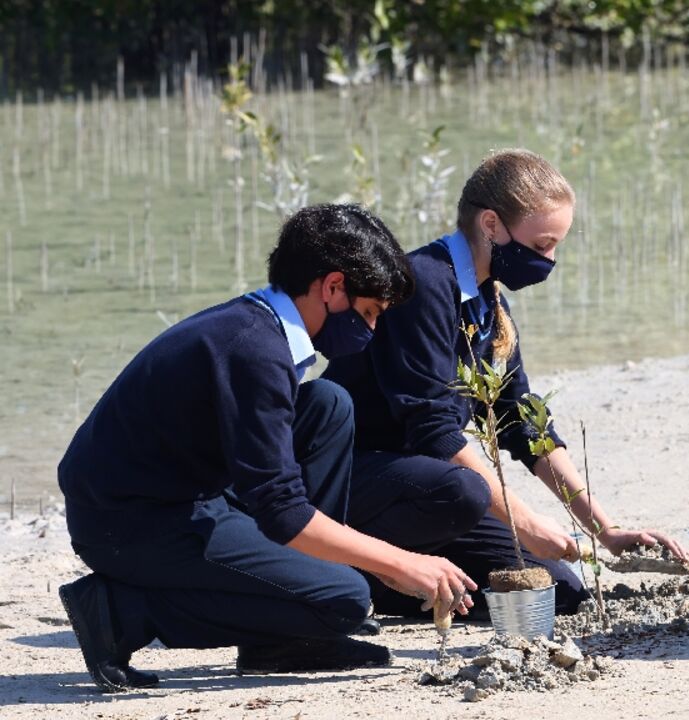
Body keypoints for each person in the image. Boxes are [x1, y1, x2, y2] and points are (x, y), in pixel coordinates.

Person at [57, 204, 478, 693]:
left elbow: (273, 488)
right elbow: (283, 513)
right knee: (344, 597)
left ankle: (286, 637)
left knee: (326, 404)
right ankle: (122, 612)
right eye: (368, 313)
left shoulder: (260, 326)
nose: (372, 330)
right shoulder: (254, 350)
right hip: (125, 522)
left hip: (178, 492)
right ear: (333, 286)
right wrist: (404, 563)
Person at [325, 149, 689, 618]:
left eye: (556, 245)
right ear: (492, 225)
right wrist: (529, 522)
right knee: (462, 492)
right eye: (541, 246)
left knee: (554, 594)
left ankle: (404, 584)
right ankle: (350, 568)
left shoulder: (488, 302)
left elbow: (523, 421)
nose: (549, 260)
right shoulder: (422, 287)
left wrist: (606, 530)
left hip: (430, 486)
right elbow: (434, 432)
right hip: (361, 479)